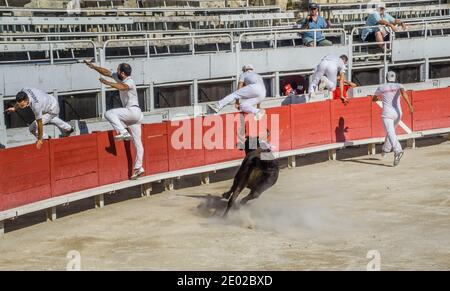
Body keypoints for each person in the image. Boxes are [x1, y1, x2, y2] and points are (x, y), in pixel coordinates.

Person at [84, 61, 145, 180]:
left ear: (122, 73)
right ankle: (139, 168)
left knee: (109, 113)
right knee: (138, 143)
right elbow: (107, 72)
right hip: (136, 115)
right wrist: (93, 67)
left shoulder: (129, 81)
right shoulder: (120, 76)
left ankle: (123, 132)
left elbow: (122, 87)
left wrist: (107, 83)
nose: (115, 71)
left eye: (118, 70)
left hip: (132, 111)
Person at [5, 88, 74, 149]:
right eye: (19, 104)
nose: (21, 107)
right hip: (50, 100)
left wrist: (39, 139)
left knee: (32, 128)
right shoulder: (24, 90)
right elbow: (19, 101)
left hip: (52, 109)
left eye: (22, 105)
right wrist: (14, 108)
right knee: (50, 118)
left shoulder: (36, 106)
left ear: (26, 99)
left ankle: (46, 138)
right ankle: (69, 128)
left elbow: (39, 123)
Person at [371, 71, 413, 166]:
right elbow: (404, 94)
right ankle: (385, 150)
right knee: (391, 132)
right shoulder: (399, 85)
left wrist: (378, 99)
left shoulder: (381, 87)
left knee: (391, 132)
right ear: (395, 78)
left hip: (387, 114)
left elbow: (373, 99)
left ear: (386, 78)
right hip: (398, 113)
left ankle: (398, 150)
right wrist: (410, 106)